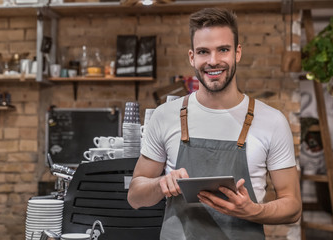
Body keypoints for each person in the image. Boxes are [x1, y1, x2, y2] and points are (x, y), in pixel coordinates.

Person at [127, 7, 301, 240]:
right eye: (203, 52)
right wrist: (160, 184)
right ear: (192, 57)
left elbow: (293, 207)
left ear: (237, 53)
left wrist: (253, 210)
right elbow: (135, 196)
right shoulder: (165, 116)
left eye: (223, 50)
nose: (213, 61)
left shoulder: (272, 121)